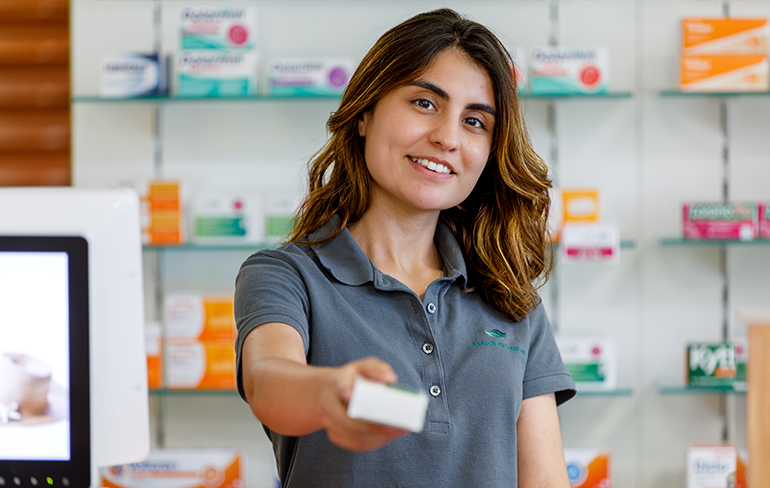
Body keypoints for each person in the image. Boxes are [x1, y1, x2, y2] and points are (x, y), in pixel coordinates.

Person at [234, 8, 576, 487]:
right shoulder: (287, 275)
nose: (447, 138)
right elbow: (268, 380)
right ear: (365, 114)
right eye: (424, 103)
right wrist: (329, 391)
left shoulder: (509, 297)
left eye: (475, 120)